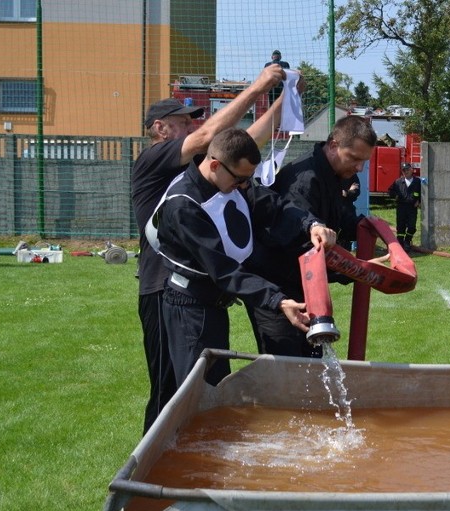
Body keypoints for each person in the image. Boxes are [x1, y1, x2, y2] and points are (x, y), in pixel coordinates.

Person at [131, 64, 287, 433]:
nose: (192, 127)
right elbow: (207, 139)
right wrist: (258, 86)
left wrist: (283, 101)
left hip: (200, 287)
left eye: (192, 121)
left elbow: (241, 143)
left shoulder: (204, 166)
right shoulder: (152, 160)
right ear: (160, 129)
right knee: (171, 389)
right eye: (183, 122)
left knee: (205, 386)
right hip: (162, 287)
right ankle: (149, 471)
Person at [155, 128, 336, 386]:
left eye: (247, 180)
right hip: (190, 307)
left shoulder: (234, 183)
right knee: (201, 390)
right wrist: (278, 300)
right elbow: (223, 270)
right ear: (216, 165)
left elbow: (277, 205)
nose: (243, 186)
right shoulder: (184, 205)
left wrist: (312, 224)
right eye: (239, 179)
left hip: (214, 304)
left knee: (215, 385)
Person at [246, 115, 378, 358]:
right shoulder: (304, 181)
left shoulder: (334, 175)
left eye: (364, 161)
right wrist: (357, 269)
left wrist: (366, 225)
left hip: (302, 284)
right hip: (278, 288)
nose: (359, 168)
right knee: (285, 367)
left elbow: (339, 219)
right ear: (334, 145)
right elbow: (304, 247)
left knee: (311, 363)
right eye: (355, 158)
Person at [388, 163, 422, 251]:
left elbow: (423, 193)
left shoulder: (418, 181)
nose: (405, 172)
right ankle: (400, 243)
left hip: (412, 207)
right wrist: (395, 196)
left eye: (407, 169)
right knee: (400, 226)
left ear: (411, 170)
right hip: (401, 207)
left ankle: (407, 240)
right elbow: (390, 191)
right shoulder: (398, 182)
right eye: (404, 170)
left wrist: (419, 200)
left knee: (411, 226)